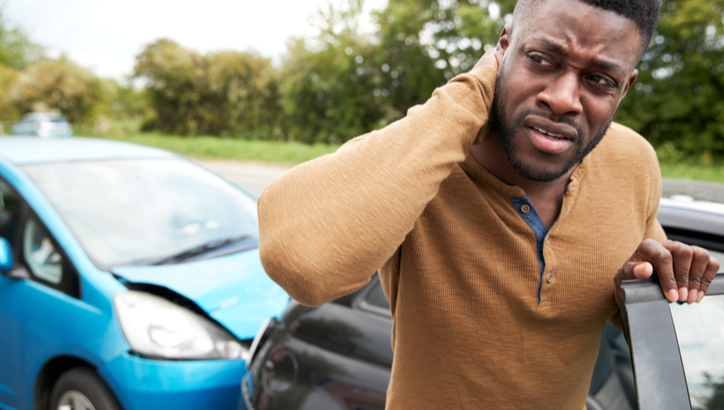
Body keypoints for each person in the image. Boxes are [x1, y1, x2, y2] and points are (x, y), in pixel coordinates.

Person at [257, 0, 721, 408]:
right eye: (540, 59)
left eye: (598, 80)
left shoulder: (634, 162)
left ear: (625, 88)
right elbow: (301, 265)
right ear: (503, 46)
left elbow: (656, 338)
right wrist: (471, 94)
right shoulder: (425, 157)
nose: (562, 99)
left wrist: (634, 288)